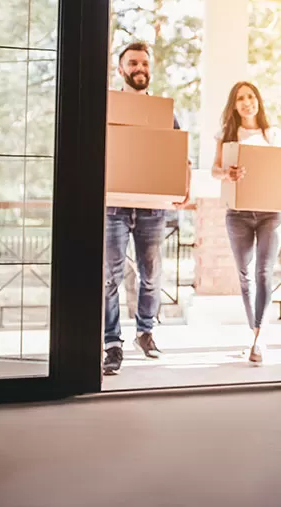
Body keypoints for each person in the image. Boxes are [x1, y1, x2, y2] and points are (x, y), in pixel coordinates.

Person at [103, 41, 190, 376]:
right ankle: (112, 342)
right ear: (121, 68)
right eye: (133, 63)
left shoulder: (163, 112)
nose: (139, 68)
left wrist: (184, 188)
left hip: (153, 207)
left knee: (151, 275)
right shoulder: (109, 106)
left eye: (144, 63)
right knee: (110, 277)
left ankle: (145, 332)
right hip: (114, 205)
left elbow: (180, 153)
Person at [211, 81, 281, 365]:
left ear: (258, 101)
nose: (247, 102)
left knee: (264, 273)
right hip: (239, 214)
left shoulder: (275, 135)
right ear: (234, 105)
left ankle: (259, 338)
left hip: (270, 214)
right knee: (245, 276)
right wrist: (227, 173)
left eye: (251, 96)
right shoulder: (228, 135)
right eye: (240, 98)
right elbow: (215, 170)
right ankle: (254, 331)